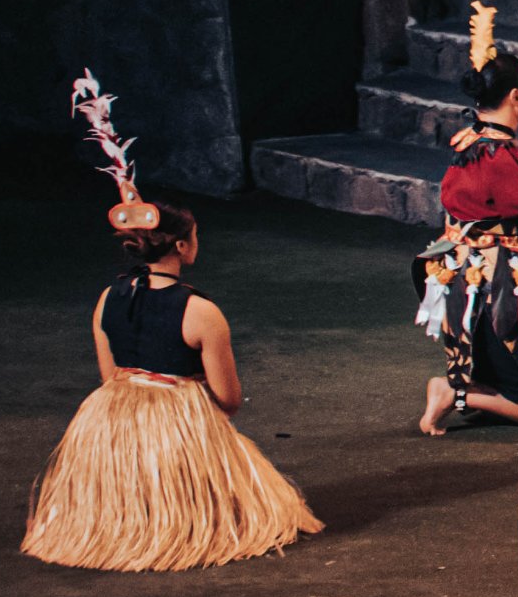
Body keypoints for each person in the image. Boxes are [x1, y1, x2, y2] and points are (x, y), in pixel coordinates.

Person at [22, 196, 323, 571]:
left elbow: (110, 377)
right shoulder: (201, 312)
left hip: (110, 426)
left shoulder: (107, 298)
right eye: (195, 236)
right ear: (181, 245)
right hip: (176, 427)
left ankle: (125, 519)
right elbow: (229, 400)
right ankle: (181, 514)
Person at [417, 24, 518, 436]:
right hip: (503, 300)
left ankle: (472, 386)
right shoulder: (508, 158)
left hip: (465, 298)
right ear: (515, 97)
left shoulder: (466, 146)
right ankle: (456, 394)